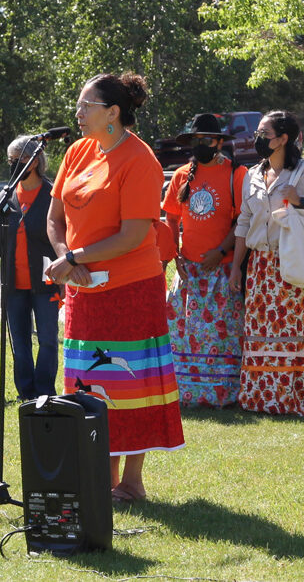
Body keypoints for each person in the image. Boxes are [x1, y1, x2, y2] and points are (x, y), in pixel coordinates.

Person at [45, 72, 184, 503]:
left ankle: (132, 482)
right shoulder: (76, 151)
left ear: (113, 113)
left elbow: (131, 235)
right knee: (88, 382)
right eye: (79, 104)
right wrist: (69, 259)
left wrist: (73, 260)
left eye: (87, 105)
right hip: (83, 290)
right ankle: (101, 479)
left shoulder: (140, 160)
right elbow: (54, 218)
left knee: (129, 383)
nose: (78, 112)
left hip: (130, 289)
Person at [228, 110, 304, 416]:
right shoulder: (252, 175)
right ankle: (258, 398)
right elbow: (243, 223)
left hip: (292, 262)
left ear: (284, 139)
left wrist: (301, 201)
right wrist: (237, 266)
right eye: (257, 134)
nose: (257, 139)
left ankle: (290, 397)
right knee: (259, 332)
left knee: (288, 332)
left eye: (264, 134)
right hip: (259, 266)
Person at [163, 113, 247, 407]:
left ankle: (223, 395)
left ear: (220, 142)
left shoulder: (237, 174)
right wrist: (176, 255)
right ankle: (187, 393)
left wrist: (221, 252)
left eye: (207, 140)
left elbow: (242, 223)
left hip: (221, 271)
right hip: (188, 272)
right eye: (196, 140)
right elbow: (171, 219)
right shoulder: (181, 176)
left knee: (220, 335)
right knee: (184, 334)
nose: (201, 144)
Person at [0, 137, 60, 401]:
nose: (12, 164)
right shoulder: (5, 196)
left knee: (47, 341)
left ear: (33, 161)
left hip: (46, 285)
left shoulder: (52, 195)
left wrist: (65, 280)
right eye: (10, 160)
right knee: (20, 346)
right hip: (13, 288)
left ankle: (45, 393)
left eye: (17, 159)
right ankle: (27, 395)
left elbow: (62, 239)